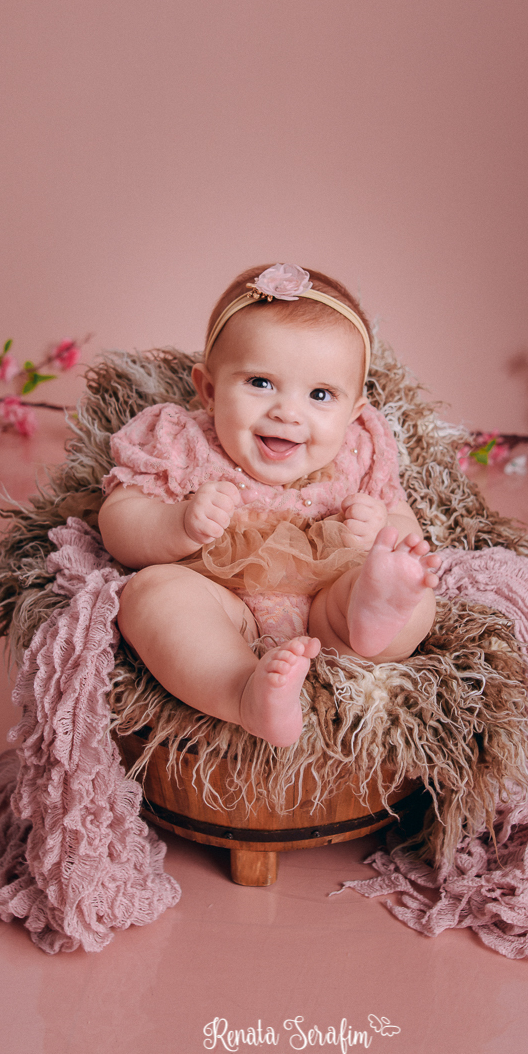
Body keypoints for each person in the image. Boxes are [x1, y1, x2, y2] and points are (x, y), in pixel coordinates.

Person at [98, 264, 441, 747]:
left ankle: (370, 618)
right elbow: (116, 522)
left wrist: (385, 528)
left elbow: (402, 518)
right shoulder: (181, 440)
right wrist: (176, 523)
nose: (287, 411)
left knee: (416, 596)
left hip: (329, 608)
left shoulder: (362, 448)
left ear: (354, 413)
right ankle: (243, 690)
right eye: (260, 382)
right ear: (210, 390)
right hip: (221, 602)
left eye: (321, 394)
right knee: (151, 594)